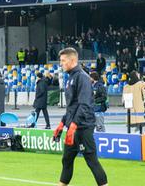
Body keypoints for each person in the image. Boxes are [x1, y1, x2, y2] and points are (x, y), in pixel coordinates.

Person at [53, 48, 108, 186]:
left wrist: (73, 125)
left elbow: (84, 105)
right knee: (66, 160)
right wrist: (62, 124)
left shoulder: (82, 77)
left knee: (92, 161)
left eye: (63, 61)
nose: (61, 64)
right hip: (73, 126)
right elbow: (72, 107)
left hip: (83, 127)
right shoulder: (70, 78)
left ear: (72, 61)